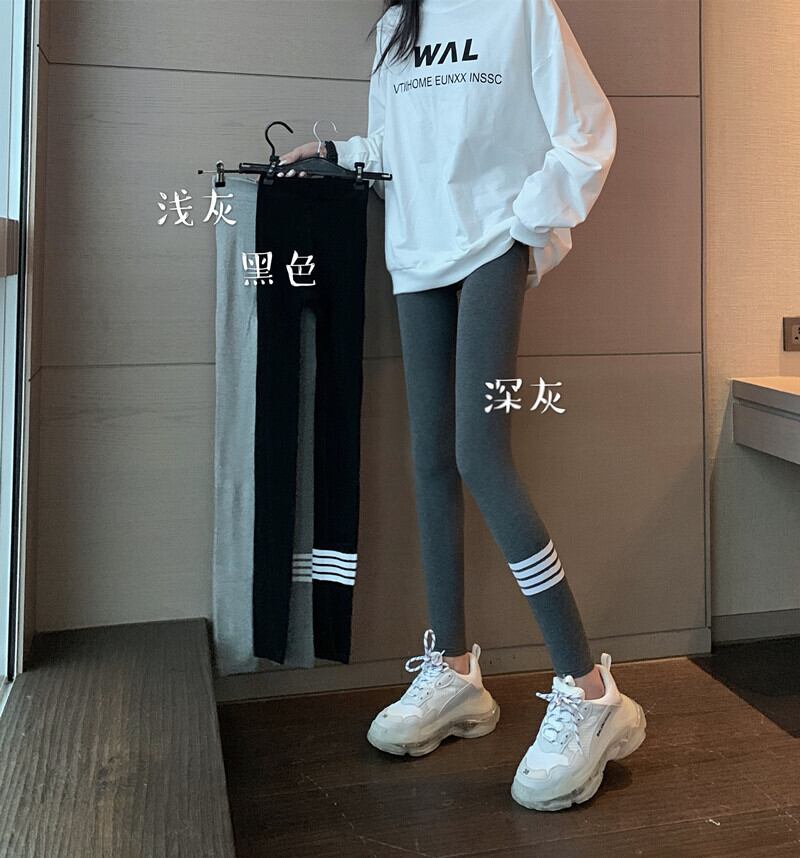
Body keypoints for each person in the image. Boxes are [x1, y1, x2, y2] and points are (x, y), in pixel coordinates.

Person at [277, 0, 647, 811]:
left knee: (480, 455)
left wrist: (525, 224)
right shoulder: (395, 27)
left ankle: (589, 691)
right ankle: (452, 671)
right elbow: (401, 147)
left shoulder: (521, 8)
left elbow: (586, 131)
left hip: (492, 244)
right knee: (431, 459)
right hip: (415, 250)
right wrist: (339, 154)